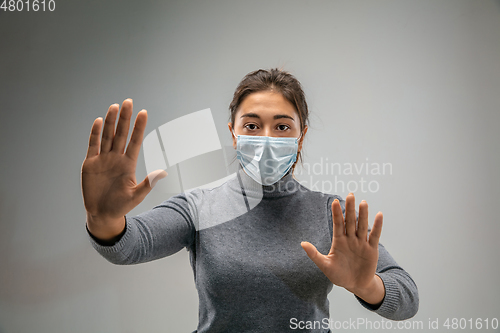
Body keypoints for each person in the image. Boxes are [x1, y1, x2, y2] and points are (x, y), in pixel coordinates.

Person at [81, 68, 419, 332]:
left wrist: (367, 286)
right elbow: (129, 246)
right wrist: (102, 218)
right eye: (253, 126)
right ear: (233, 133)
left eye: (282, 127)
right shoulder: (199, 206)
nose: (267, 139)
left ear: (301, 136)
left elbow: (407, 297)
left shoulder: (330, 214)